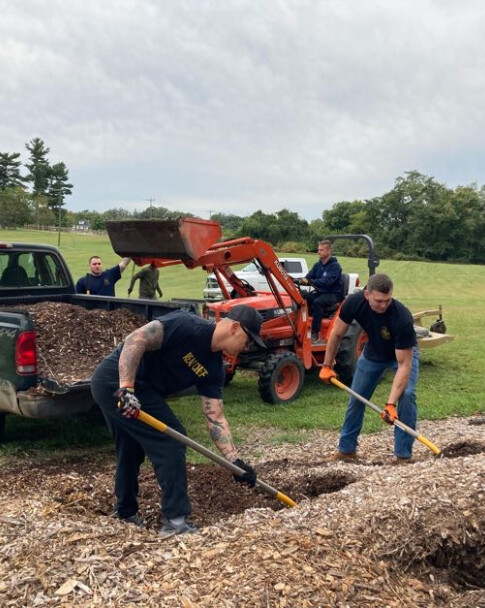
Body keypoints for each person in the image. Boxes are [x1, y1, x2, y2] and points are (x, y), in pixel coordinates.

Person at [90, 304, 265, 538]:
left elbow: (215, 416)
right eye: (248, 340)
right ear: (235, 327)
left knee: (130, 449)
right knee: (172, 441)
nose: (247, 347)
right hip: (116, 381)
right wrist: (127, 388)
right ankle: (175, 522)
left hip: (139, 389)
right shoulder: (187, 325)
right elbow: (136, 339)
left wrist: (235, 462)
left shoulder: (214, 369)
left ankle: (125, 512)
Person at [319, 273, 418, 463]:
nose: (383, 305)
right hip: (374, 352)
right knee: (357, 396)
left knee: (407, 395)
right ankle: (346, 450)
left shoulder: (402, 317)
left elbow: (404, 365)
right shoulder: (354, 303)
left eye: (387, 300)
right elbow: (336, 334)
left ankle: (403, 456)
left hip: (402, 355)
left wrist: (390, 404)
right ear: (367, 294)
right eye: (379, 301)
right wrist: (326, 365)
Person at [298, 240, 343, 343]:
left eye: (321, 250)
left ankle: (315, 333)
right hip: (321, 292)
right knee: (302, 297)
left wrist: (311, 281)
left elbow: (327, 282)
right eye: (318, 250)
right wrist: (300, 280)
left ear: (328, 251)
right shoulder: (317, 265)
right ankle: (301, 326)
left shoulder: (335, 266)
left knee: (318, 302)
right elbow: (308, 277)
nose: (319, 252)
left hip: (333, 294)